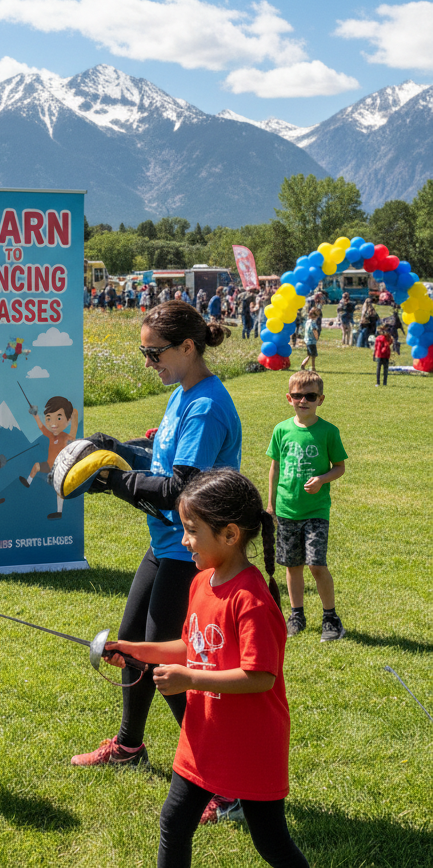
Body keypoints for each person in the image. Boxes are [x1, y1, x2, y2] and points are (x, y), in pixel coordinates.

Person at [70, 301, 242, 791]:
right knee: (131, 644)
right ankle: (129, 747)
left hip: (192, 550)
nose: (148, 363)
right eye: (143, 353)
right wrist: (118, 449)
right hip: (166, 542)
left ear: (188, 347)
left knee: (167, 664)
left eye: (154, 353)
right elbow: (160, 462)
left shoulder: (205, 406)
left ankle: (224, 781)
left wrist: (114, 480)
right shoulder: (183, 392)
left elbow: (179, 490)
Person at [106, 469, 308, 868]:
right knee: (174, 822)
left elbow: (260, 677)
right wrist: (135, 649)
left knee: (271, 843)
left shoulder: (251, 599)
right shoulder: (201, 583)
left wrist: (190, 679)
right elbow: (190, 646)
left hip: (251, 745)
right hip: (204, 736)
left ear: (230, 534)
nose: (184, 540)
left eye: (192, 530)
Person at [266, 370, 347, 642]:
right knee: (292, 565)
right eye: (298, 395)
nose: (304, 401)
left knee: (316, 564)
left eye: (310, 396)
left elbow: (339, 467)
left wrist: (322, 479)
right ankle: (296, 615)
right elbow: (275, 468)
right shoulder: (281, 430)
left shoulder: (328, 431)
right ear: (289, 398)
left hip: (316, 511)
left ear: (320, 399)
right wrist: (271, 505)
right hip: (287, 510)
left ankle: (331, 618)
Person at [299, 308, 322, 372]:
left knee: (309, 355)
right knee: (313, 355)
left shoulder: (308, 321)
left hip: (307, 340)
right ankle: (313, 368)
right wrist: (317, 338)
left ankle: (303, 365)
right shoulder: (313, 323)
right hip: (312, 341)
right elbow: (314, 331)